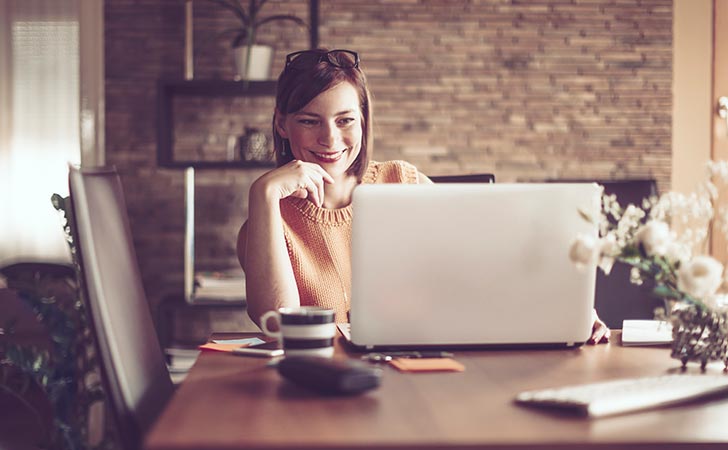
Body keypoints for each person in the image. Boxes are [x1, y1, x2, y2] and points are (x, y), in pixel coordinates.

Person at [236, 48, 610, 344]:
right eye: (308, 120)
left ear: (364, 122)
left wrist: (564, 308)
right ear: (282, 123)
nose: (330, 139)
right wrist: (264, 193)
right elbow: (278, 327)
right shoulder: (268, 223)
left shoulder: (401, 180)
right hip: (322, 393)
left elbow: (494, 255)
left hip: (418, 377)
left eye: (345, 120)